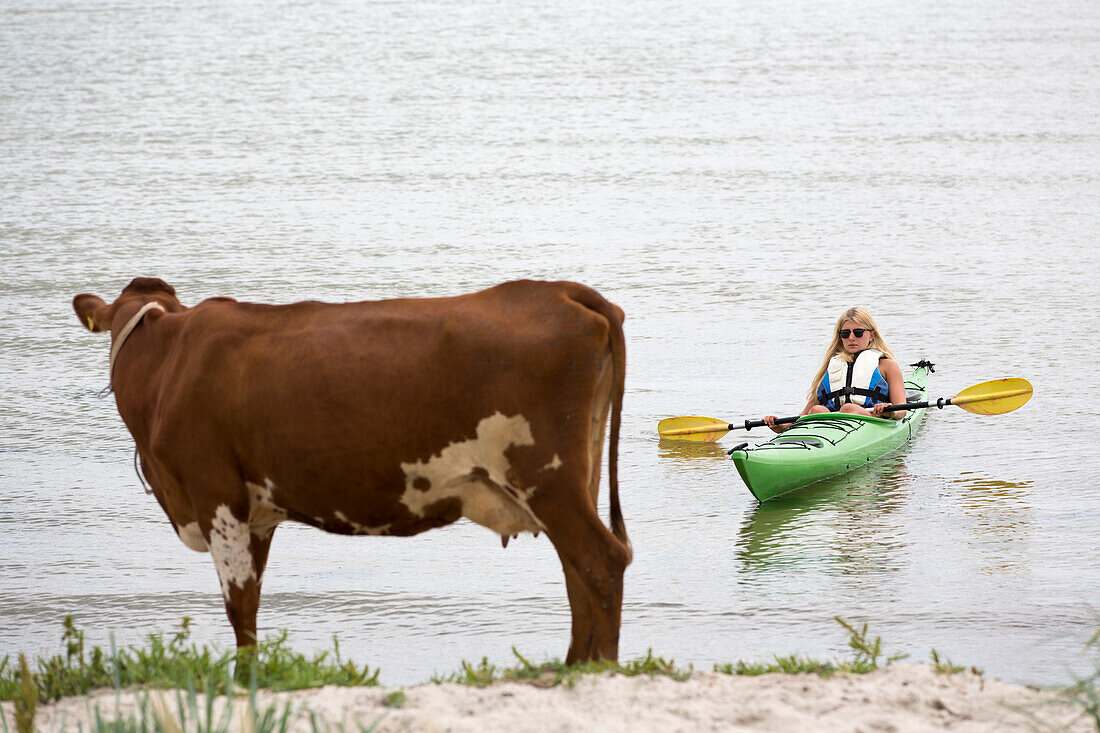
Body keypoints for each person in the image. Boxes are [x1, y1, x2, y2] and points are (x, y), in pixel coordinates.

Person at [763, 307, 908, 434]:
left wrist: (890, 411)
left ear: (871, 335)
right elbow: (804, 415)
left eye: (858, 332)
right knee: (817, 411)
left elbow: (901, 411)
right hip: (830, 429)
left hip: (872, 423)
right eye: (845, 333)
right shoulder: (832, 367)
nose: (851, 338)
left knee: (849, 409)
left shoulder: (887, 365)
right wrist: (780, 426)